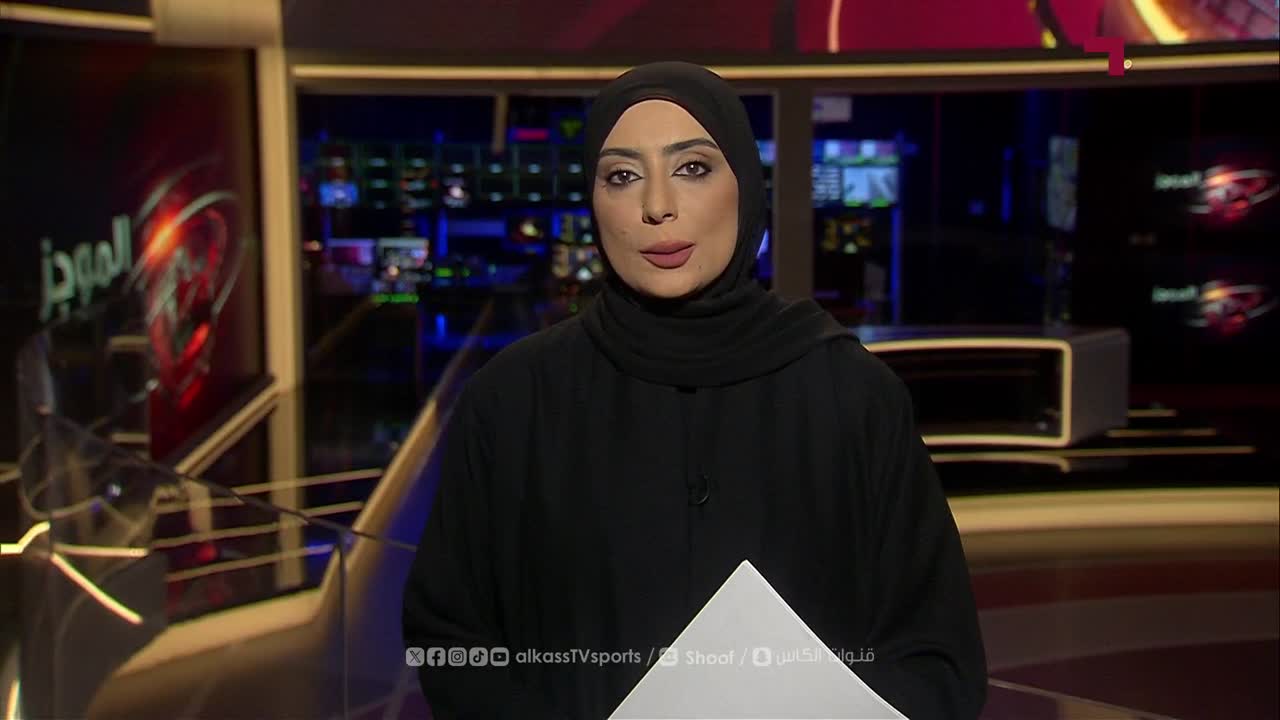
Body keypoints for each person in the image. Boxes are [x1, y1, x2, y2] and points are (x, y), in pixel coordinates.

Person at [402, 61, 987, 719]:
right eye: (622, 176)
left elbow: (938, 660)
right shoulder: (511, 401)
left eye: (692, 168)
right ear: (593, 202)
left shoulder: (854, 396)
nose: (657, 206)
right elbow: (451, 643)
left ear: (747, 186)